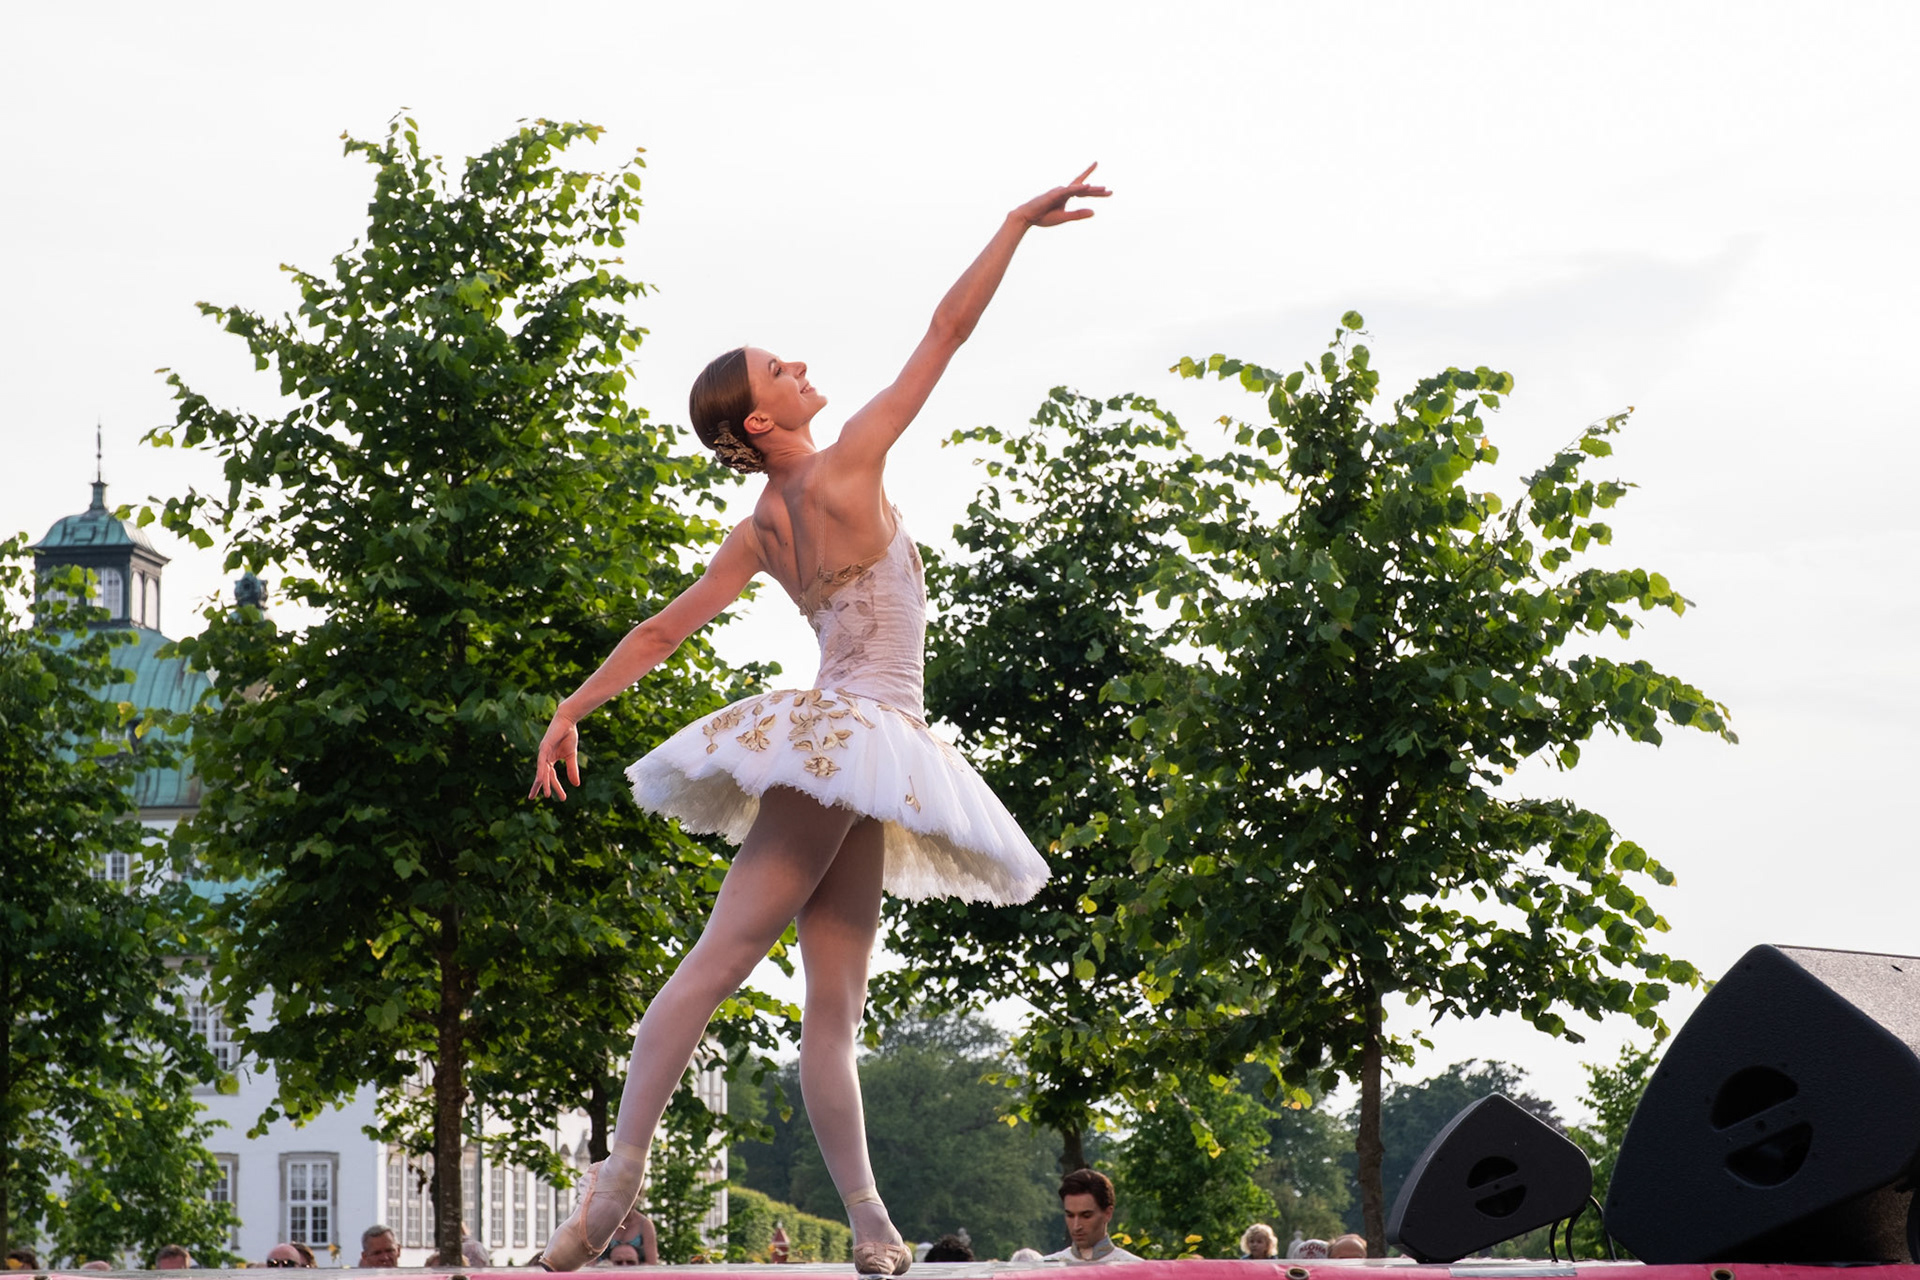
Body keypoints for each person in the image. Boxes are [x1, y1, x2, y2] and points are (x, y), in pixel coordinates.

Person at [528, 164, 1109, 1276]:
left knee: (831, 1006)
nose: (800, 367)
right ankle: (616, 1183)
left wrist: (573, 705)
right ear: (761, 417)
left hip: (863, 750)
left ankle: (873, 1223)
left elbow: (661, 632)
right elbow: (947, 331)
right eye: (780, 369)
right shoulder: (851, 462)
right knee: (726, 958)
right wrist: (1012, 225)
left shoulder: (760, 526)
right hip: (856, 735)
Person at [1044, 1168, 1142, 1264]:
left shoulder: (1134, 1268)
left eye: (1086, 1216)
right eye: (1070, 1216)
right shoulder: (1046, 1267)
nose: (1076, 1226)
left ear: (1108, 1213)